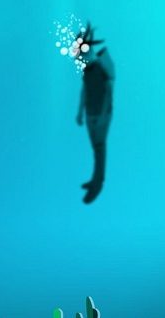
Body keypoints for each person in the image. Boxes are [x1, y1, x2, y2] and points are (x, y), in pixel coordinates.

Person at [74, 23, 115, 204]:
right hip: (91, 115)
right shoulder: (87, 71)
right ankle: (95, 179)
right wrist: (80, 112)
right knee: (96, 149)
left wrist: (104, 115)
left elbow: (108, 93)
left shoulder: (99, 68)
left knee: (99, 147)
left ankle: (98, 184)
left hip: (100, 115)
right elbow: (84, 91)